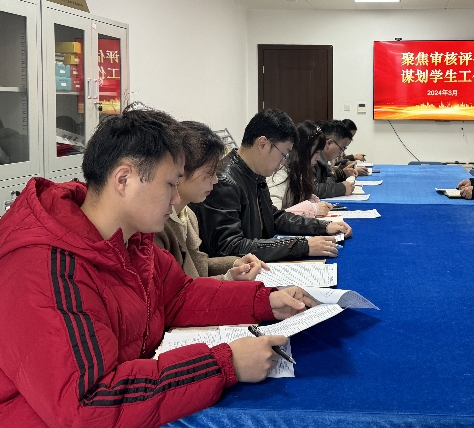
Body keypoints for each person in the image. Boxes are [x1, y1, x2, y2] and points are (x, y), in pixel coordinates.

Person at [0, 104, 316, 427]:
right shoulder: (42, 268)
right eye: (170, 184)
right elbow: (90, 403)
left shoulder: (131, 240)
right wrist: (225, 363)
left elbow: (179, 296)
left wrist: (266, 301)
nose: (177, 199)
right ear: (124, 180)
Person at [191, 109, 352, 263]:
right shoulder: (224, 181)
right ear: (263, 144)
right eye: (284, 154)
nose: (283, 161)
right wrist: (302, 245)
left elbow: (273, 218)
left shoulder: (254, 172)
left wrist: (323, 227)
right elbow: (229, 247)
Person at [155, 120, 268, 280]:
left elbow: (197, 266)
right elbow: (177, 289)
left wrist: (235, 263)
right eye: (209, 173)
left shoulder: (188, 215)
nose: (215, 180)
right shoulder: (157, 225)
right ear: (180, 171)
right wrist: (227, 279)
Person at [267, 120, 333, 218]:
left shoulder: (300, 172)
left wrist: (307, 202)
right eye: (316, 152)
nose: (318, 158)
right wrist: (311, 209)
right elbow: (272, 216)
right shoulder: (281, 174)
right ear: (303, 150)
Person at [314, 120, 356, 198]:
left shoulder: (323, 160)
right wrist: (342, 188)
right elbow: (313, 190)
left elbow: (327, 181)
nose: (341, 152)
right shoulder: (311, 159)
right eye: (342, 148)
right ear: (329, 143)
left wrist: (341, 175)